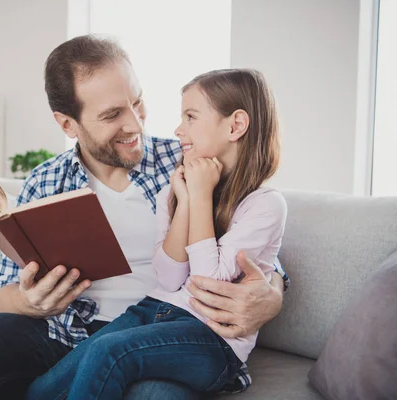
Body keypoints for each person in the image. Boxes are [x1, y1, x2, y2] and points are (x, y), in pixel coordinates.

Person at [0, 35, 289, 400]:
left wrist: (272, 294)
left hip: (167, 330)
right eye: (112, 114)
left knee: (154, 395)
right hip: (62, 331)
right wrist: (29, 302)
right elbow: (3, 291)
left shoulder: (189, 159)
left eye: (137, 103)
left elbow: (252, 248)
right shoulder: (48, 179)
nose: (136, 124)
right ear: (68, 124)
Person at [25, 68, 286, 400]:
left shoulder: (265, 205)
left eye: (191, 117)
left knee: (108, 352)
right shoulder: (174, 190)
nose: (179, 130)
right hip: (153, 309)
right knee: (42, 390)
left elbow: (210, 282)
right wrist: (188, 199)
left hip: (210, 337)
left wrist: (201, 196)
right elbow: (169, 277)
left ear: (235, 125)